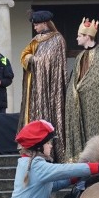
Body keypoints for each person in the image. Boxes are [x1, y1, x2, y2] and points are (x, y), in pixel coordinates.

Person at [19, 10, 67, 162]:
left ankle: (52, 151)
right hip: (36, 87)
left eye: (37, 24)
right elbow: (25, 54)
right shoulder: (36, 40)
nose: (35, 27)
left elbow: (51, 60)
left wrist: (35, 60)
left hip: (51, 87)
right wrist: (29, 58)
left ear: (45, 23)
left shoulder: (57, 39)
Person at [64, 18, 99, 162]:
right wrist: (74, 91)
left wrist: (79, 88)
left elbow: (98, 79)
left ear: (87, 36)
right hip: (79, 102)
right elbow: (74, 79)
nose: (77, 38)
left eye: (79, 35)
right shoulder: (80, 56)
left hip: (94, 104)